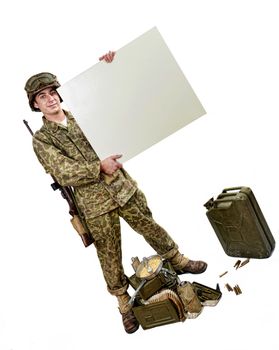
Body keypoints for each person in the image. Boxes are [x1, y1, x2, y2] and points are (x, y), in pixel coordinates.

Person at [24, 51, 207, 334]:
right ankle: (123, 302)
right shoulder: (42, 139)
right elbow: (63, 172)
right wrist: (99, 166)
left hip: (122, 187)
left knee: (150, 225)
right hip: (93, 204)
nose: (50, 99)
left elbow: (121, 104)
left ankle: (178, 260)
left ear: (59, 95)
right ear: (35, 105)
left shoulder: (86, 112)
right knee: (109, 254)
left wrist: (109, 70)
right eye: (42, 97)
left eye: (52, 93)